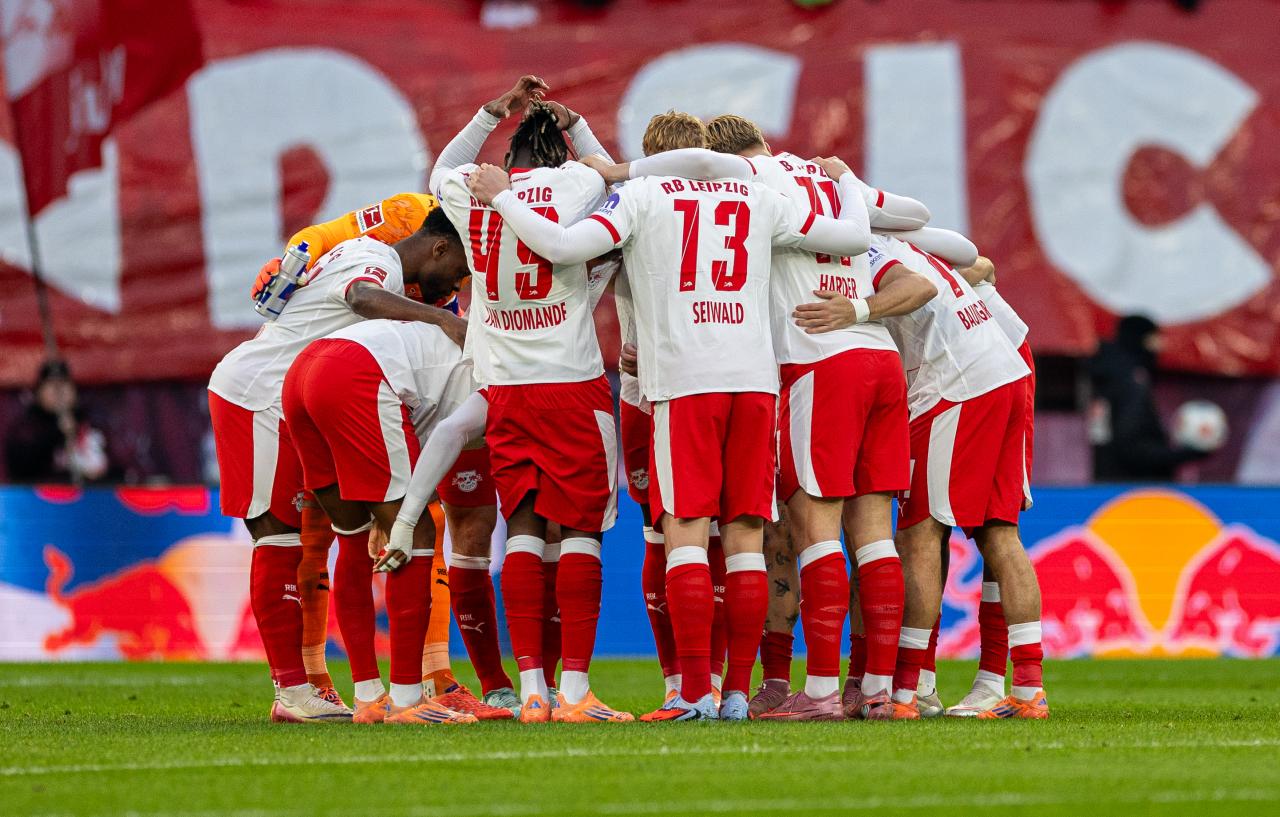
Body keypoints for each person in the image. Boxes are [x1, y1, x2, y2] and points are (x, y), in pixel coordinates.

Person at [468, 111, 874, 720]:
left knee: (681, 533)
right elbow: (853, 238)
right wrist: (847, 184)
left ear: (650, 158)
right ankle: (735, 694)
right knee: (743, 538)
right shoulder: (757, 195)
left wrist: (504, 197)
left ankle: (690, 692)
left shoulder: (640, 196)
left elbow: (559, 245)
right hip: (754, 384)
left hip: (684, 383)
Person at [246, 75, 551, 715]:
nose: (457, 287)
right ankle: (390, 689)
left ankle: (378, 689)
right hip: (370, 371)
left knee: (378, 528)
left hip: (342, 371)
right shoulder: (420, 219)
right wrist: (294, 255)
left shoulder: (530, 225)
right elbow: (328, 234)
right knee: (391, 529)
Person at [671, 114, 938, 721]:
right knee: (874, 535)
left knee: (813, 532)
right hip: (880, 361)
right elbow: (915, 218)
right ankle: (878, 690)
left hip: (817, 363)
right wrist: (862, 303)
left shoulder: (747, 185)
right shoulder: (828, 183)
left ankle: (818, 691)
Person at [207, 212, 467, 723]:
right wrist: (442, 321)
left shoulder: (364, 255)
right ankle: (293, 691)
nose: (455, 287)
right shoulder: (376, 260)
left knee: (346, 532)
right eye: (459, 270)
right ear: (438, 247)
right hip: (260, 394)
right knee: (278, 539)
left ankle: (352, 692)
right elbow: (361, 297)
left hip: (296, 392)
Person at [430, 100, 630, 724]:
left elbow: (442, 168)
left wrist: (489, 114)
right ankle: (575, 691)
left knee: (520, 528)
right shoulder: (574, 184)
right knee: (581, 533)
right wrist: (577, 125)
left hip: (505, 389)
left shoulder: (472, 190)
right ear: (558, 152)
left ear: (508, 156)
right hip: (570, 384)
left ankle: (533, 691)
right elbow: (609, 171)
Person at [859, 233, 1047, 719]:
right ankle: (1023, 687)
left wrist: (857, 310)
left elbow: (955, 275)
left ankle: (909, 689)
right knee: (997, 531)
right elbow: (979, 265)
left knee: (920, 531)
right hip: (1005, 366)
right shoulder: (903, 240)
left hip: (960, 383)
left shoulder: (865, 246)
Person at [282, 317, 479, 725]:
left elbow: (414, 434)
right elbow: (445, 437)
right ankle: (407, 700)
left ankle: (369, 697)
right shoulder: (505, 379)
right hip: (359, 374)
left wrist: (385, 514)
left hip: (303, 371)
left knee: (351, 536)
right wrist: (401, 518)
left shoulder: (479, 349)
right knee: (419, 531)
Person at [1090, 315, 1205, 480]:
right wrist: (1181, 455)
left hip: (1108, 481)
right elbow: (1132, 446)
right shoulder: (1131, 381)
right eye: (1154, 339)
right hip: (1135, 485)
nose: (1160, 346)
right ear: (1140, 341)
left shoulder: (1108, 378)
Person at [5, 359, 115, 484]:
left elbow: (114, 468)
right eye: (51, 385)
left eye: (64, 384)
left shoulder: (90, 422)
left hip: (89, 493)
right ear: (38, 393)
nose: (59, 391)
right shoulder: (27, 428)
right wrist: (56, 433)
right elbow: (22, 469)